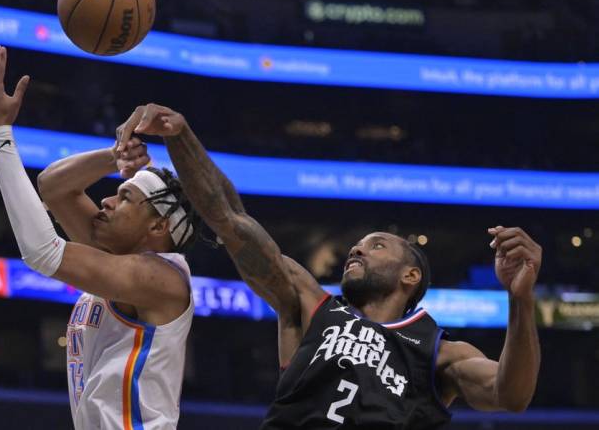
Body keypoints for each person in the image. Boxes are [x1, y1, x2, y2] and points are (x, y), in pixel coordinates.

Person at [116, 103, 541, 429]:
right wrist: (181, 135)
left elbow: (511, 393)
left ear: (411, 276)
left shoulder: (439, 352)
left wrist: (520, 301)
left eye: (375, 246)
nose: (357, 250)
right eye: (357, 245)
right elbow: (229, 217)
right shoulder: (308, 304)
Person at [0, 47, 198, 430]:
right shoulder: (117, 260)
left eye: (126, 197)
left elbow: (42, 252)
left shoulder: (160, 279)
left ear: (158, 227)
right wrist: (115, 157)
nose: (107, 199)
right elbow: (53, 187)